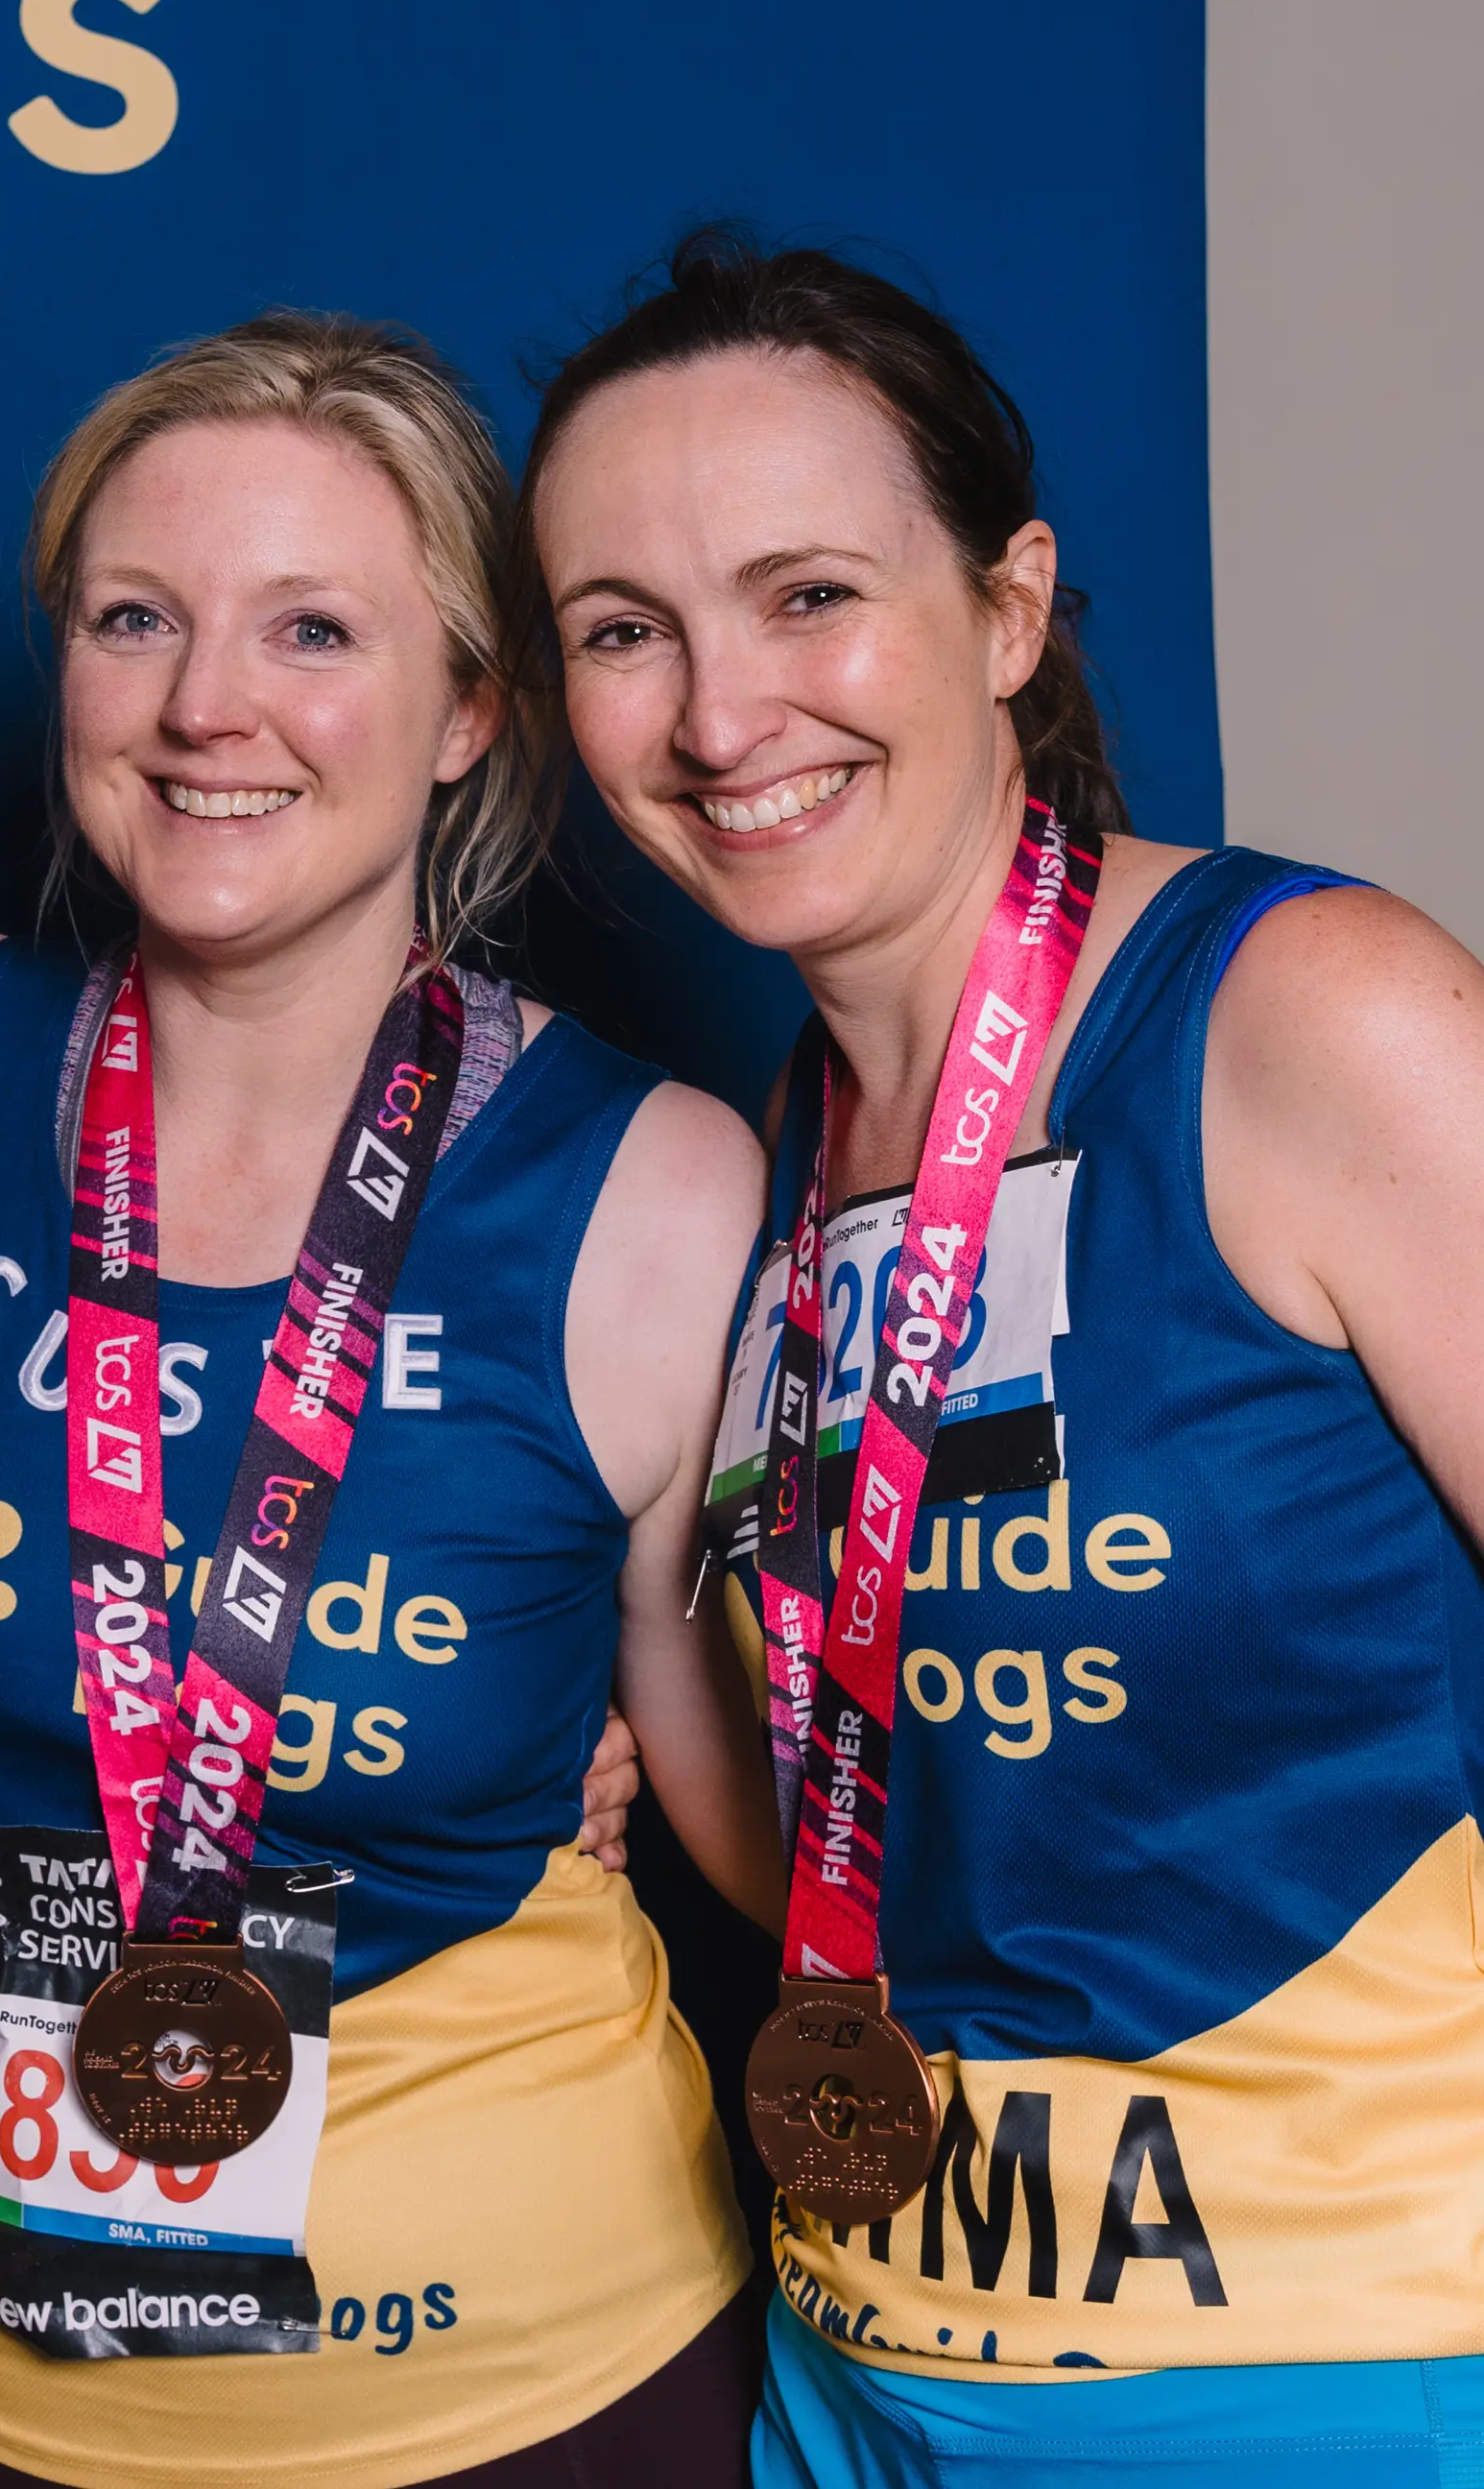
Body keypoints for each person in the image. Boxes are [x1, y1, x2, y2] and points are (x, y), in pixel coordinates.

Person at [525, 232, 1484, 2485]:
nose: (722, 715)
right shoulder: (761, 1157)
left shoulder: (1308, 1017)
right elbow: (864, 1808)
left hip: (1341, 2375)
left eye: (807, 594)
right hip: (861, 2362)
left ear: (1011, 608)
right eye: (621, 633)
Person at [0, 316, 779, 2488]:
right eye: (134, 618)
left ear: (466, 711)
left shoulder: (661, 1184)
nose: (201, 704)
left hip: (526, 2395)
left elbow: (775, 1826)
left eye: (309, 627)